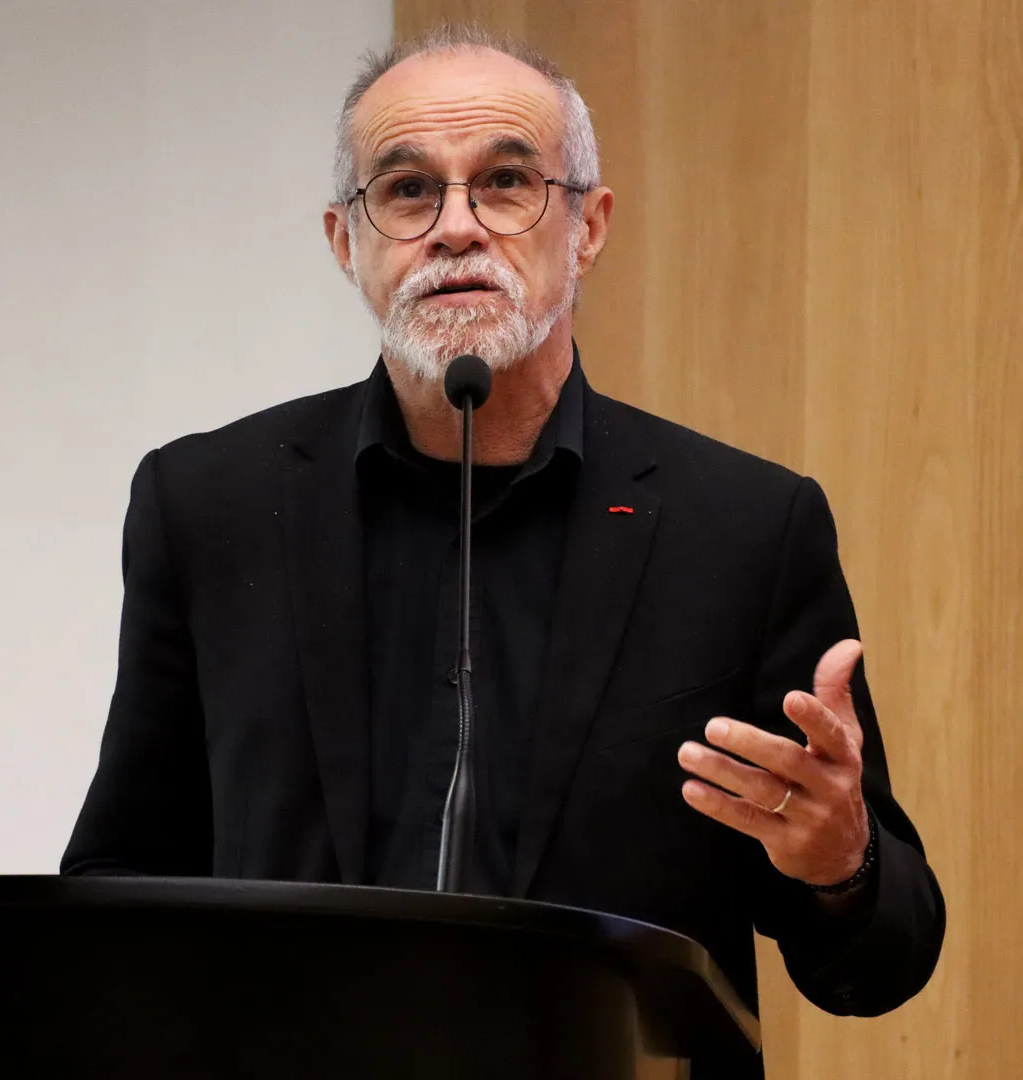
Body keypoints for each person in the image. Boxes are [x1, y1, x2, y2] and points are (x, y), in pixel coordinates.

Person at [62, 23, 944, 1074]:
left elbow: (881, 966)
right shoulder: (210, 504)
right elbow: (120, 881)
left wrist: (840, 864)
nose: (455, 229)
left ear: (588, 227)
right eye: (406, 191)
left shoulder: (744, 528)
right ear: (347, 243)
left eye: (507, 183)